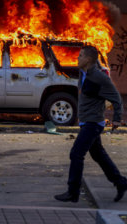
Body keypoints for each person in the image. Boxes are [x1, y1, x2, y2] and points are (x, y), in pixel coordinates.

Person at [54, 45, 127, 203]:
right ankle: (121, 183)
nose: (77, 58)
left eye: (80, 56)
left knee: (76, 154)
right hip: (87, 121)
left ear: (88, 59)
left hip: (93, 123)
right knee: (99, 155)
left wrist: (116, 118)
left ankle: (73, 192)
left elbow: (116, 97)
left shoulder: (99, 77)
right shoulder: (83, 72)